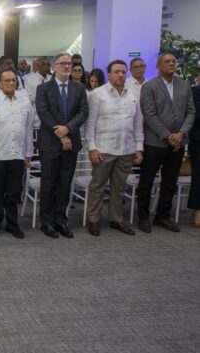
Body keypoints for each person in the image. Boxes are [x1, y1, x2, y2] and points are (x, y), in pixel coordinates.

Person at [136, 53, 196, 233]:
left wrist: (181, 134)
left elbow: (191, 112)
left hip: (178, 142)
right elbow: (149, 114)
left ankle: (162, 216)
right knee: (146, 181)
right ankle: (143, 218)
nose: (171, 64)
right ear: (158, 66)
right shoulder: (149, 86)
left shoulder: (184, 85)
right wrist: (168, 136)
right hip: (155, 142)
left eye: (173, 61)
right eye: (167, 61)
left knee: (170, 181)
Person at [85, 61, 143, 236]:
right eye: (117, 71)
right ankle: (93, 219)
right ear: (109, 74)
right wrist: (92, 148)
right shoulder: (97, 94)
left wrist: (139, 148)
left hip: (126, 149)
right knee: (98, 186)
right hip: (103, 149)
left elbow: (137, 124)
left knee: (119, 187)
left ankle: (116, 219)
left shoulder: (132, 95)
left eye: (123, 72)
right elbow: (90, 123)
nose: (120, 75)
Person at [36, 52, 89, 239]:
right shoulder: (44, 88)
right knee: (48, 184)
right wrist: (61, 134)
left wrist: (68, 129)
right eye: (63, 63)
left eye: (69, 63)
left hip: (71, 143)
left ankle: (61, 221)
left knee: (65, 185)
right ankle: (47, 222)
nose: (67, 66)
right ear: (54, 67)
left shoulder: (79, 88)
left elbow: (83, 112)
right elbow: (43, 113)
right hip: (50, 144)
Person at [0, 69, 33, 239]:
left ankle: (12, 224)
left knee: (13, 192)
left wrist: (28, 154)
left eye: (13, 80)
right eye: (7, 80)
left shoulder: (25, 101)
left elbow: (29, 129)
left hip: (17, 154)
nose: (11, 83)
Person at [24, 57, 51, 126]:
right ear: (38, 65)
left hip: (50, 117)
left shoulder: (52, 79)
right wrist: (41, 93)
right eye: (43, 64)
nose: (46, 66)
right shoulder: (29, 79)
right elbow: (28, 99)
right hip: (35, 119)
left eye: (48, 64)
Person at [189, 81, 200, 228]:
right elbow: (196, 116)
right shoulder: (195, 92)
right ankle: (197, 209)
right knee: (198, 176)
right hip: (198, 141)